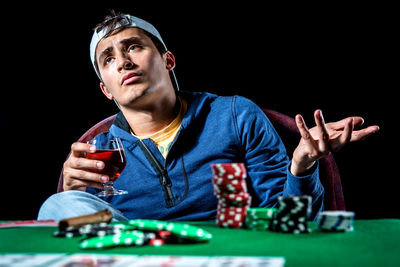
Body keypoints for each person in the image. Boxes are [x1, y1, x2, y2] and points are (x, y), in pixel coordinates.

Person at [38, 11, 379, 222]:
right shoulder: (95, 152)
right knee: (55, 207)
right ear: (106, 89)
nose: (123, 61)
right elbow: (86, 239)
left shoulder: (235, 115)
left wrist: (302, 167)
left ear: (168, 60)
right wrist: (72, 197)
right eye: (108, 58)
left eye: (134, 47)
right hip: (136, 257)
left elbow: (289, 222)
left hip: (234, 256)